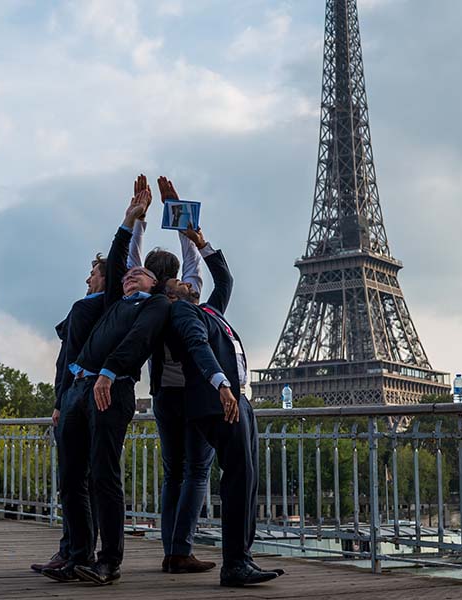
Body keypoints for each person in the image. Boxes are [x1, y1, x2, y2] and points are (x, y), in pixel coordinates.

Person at [42, 175, 179, 586]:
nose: (131, 274)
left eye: (140, 273)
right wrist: (129, 219)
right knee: (70, 478)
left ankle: (109, 561)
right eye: (127, 274)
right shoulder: (116, 299)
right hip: (79, 390)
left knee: (103, 475)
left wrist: (108, 371)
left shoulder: (156, 306)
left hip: (111, 389)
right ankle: (77, 554)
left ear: (156, 283)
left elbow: (138, 343)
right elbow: (120, 258)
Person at [167, 233, 283, 587]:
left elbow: (225, 279)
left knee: (246, 478)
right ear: (171, 294)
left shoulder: (209, 310)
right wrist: (222, 385)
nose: (188, 280)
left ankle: (241, 558)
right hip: (218, 402)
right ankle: (234, 562)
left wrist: (199, 241)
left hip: (237, 399)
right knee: (237, 478)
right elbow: (198, 347)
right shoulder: (182, 312)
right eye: (179, 281)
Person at [149, 177, 216, 575]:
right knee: (197, 471)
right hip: (192, 395)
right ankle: (181, 549)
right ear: (173, 277)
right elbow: (192, 257)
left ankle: (170, 548)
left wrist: (138, 221)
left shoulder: (146, 303)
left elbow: (131, 260)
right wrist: (178, 213)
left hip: (163, 396)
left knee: (173, 472)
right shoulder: (188, 297)